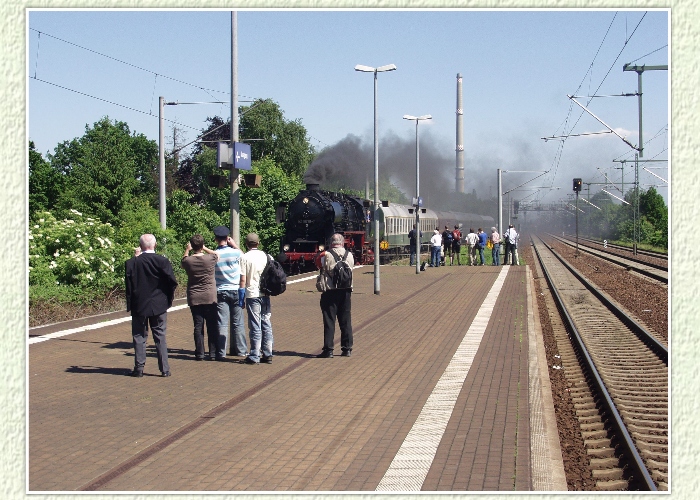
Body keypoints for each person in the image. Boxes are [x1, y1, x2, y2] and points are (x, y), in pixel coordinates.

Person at [125, 234, 178, 377]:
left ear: (140, 246)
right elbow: (172, 282)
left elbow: (129, 286)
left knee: (139, 336)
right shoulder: (162, 261)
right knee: (160, 336)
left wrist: (130, 304)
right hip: (159, 304)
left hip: (139, 304)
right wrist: (167, 299)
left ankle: (139, 368)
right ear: (154, 245)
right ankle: (165, 369)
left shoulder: (131, 263)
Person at [181, 234, 219, 361]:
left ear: (191, 245)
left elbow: (183, 260)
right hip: (209, 295)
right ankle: (213, 353)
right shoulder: (210, 259)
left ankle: (199, 353)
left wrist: (187, 250)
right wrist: (205, 248)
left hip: (194, 296)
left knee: (198, 325)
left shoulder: (188, 261)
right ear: (202, 245)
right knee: (212, 325)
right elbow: (217, 254)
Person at [315, 233, 354, 358]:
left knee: (329, 320)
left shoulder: (325, 255)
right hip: (346, 291)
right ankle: (347, 349)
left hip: (330, 291)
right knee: (346, 320)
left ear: (331, 243)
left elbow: (319, 265)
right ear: (343, 242)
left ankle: (329, 350)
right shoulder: (350, 255)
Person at [213, 226, 247, 360]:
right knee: (238, 322)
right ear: (227, 238)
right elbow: (245, 258)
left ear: (216, 239)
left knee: (222, 323)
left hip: (221, 291)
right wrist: (235, 245)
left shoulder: (214, 254)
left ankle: (221, 352)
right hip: (236, 290)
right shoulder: (236, 253)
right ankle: (241, 351)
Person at [240, 233, 274, 365]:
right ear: (258, 243)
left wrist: (241, 297)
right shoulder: (267, 256)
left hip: (252, 294)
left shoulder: (245, 257)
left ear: (246, 244)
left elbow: (243, 279)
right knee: (266, 322)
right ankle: (268, 352)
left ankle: (254, 354)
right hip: (265, 293)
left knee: (255, 324)